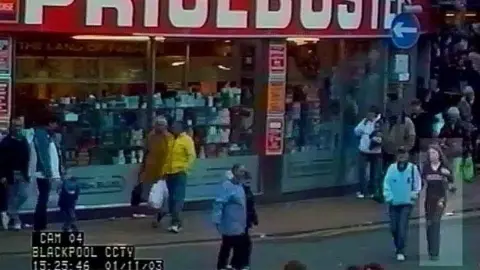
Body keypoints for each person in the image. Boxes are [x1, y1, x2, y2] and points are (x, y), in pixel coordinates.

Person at [383, 147, 422, 261]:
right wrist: (388, 197)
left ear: (408, 155)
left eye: (404, 154)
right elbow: (386, 183)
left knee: (402, 226)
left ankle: (401, 250)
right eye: (399, 154)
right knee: (394, 228)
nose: (402, 156)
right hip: (394, 203)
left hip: (407, 203)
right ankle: (397, 245)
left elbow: (418, 184)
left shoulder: (413, 169)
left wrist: (414, 195)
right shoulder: (391, 168)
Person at [422, 145, 455, 260]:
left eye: (434, 153)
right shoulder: (426, 168)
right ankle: (431, 249)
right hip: (429, 199)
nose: (432, 156)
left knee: (435, 223)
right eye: (430, 153)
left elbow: (452, 185)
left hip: (440, 199)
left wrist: (448, 175)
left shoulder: (444, 167)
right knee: (429, 224)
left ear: (439, 154)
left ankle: (434, 253)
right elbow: (422, 183)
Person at [213, 164, 249, 270]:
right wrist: (217, 220)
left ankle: (229, 266)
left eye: (244, 171)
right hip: (230, 223)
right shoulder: (226, 186)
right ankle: (228, 266)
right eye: (241, 171)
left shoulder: (240, 186)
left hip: (240, 223)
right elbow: (218, 203)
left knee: (230, 245)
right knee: (232, 245)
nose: (243, 173)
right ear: (234, 172)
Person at [139, 116, 173, 228]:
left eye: (162, 125)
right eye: (158, 124)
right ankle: (158, 213)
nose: (159, 127)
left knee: (164, 195)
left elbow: (171, 155)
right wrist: (142, 168)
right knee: (150, 196)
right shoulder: (151, 136)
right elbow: (146, 151)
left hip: (164, 170)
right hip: (151, 169)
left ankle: (160, 215)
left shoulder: (169, 138)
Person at [164, 121, 196, 233]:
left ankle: (176, 222)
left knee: (178, 197)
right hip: (169, 172)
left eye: (175, 126)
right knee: (171, 198)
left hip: (180, 172)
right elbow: (167, 156)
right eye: (172, 126)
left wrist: (185, 169)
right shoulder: (171, 139)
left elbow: (191, 156)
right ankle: (174, 221)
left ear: (181, 128)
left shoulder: (186, 140)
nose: (173, 128)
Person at [32, 115, 63, 232]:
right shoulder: (42, 135)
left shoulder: (46, 135)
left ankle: (41, 222)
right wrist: (48, 172)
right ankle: (39, 223)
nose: (56, 127)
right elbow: (44, 155)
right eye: (55, 124)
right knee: (43, 197)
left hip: (44, 171)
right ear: (50, 123)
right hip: (43, 172)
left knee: (44, 197)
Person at [0, 117, 30, 231]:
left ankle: (10, 213)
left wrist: (26, 173)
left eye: (20, 126)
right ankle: (16, 220)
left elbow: (26, 158)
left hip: (21, 173)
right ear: (11, 127)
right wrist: (2, 175)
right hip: (9, 173)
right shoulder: (5, 142)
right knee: (12, 196)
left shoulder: (23, 140)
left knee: (23, 195)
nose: (18, 128)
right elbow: (1, 160)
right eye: (16, 126)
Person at [439, 107, 469, 216]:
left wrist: (465, 151)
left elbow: (467, 140)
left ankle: (452, 204)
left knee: (455, 178)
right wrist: (442, 143)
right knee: (448, 178)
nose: (452, 119)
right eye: (450, 116)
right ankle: (449, 201)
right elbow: (441, 137)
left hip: (459, 156)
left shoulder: (462, 126)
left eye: (453, 116)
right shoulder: (446, 126)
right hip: (449, 155)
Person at [353, 106, 382, 199]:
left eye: (371, 113)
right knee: (362, 171)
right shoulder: (364, 121)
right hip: (364, 150)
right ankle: (362, 190)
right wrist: (364, 125)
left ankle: (372, 191)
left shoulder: (379, 122)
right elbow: (356, 131)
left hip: (375, 151)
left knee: (374, 172)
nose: (368, 115)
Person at [409, 99, 435, 164]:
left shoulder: (426, 116)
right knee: (414, 161)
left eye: (414, 106)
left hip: (424, 141)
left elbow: (427, 130)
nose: (413, 108)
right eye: (412, 107)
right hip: (415, 142)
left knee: (423, 161)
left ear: (419, 105)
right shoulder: (412, 116)